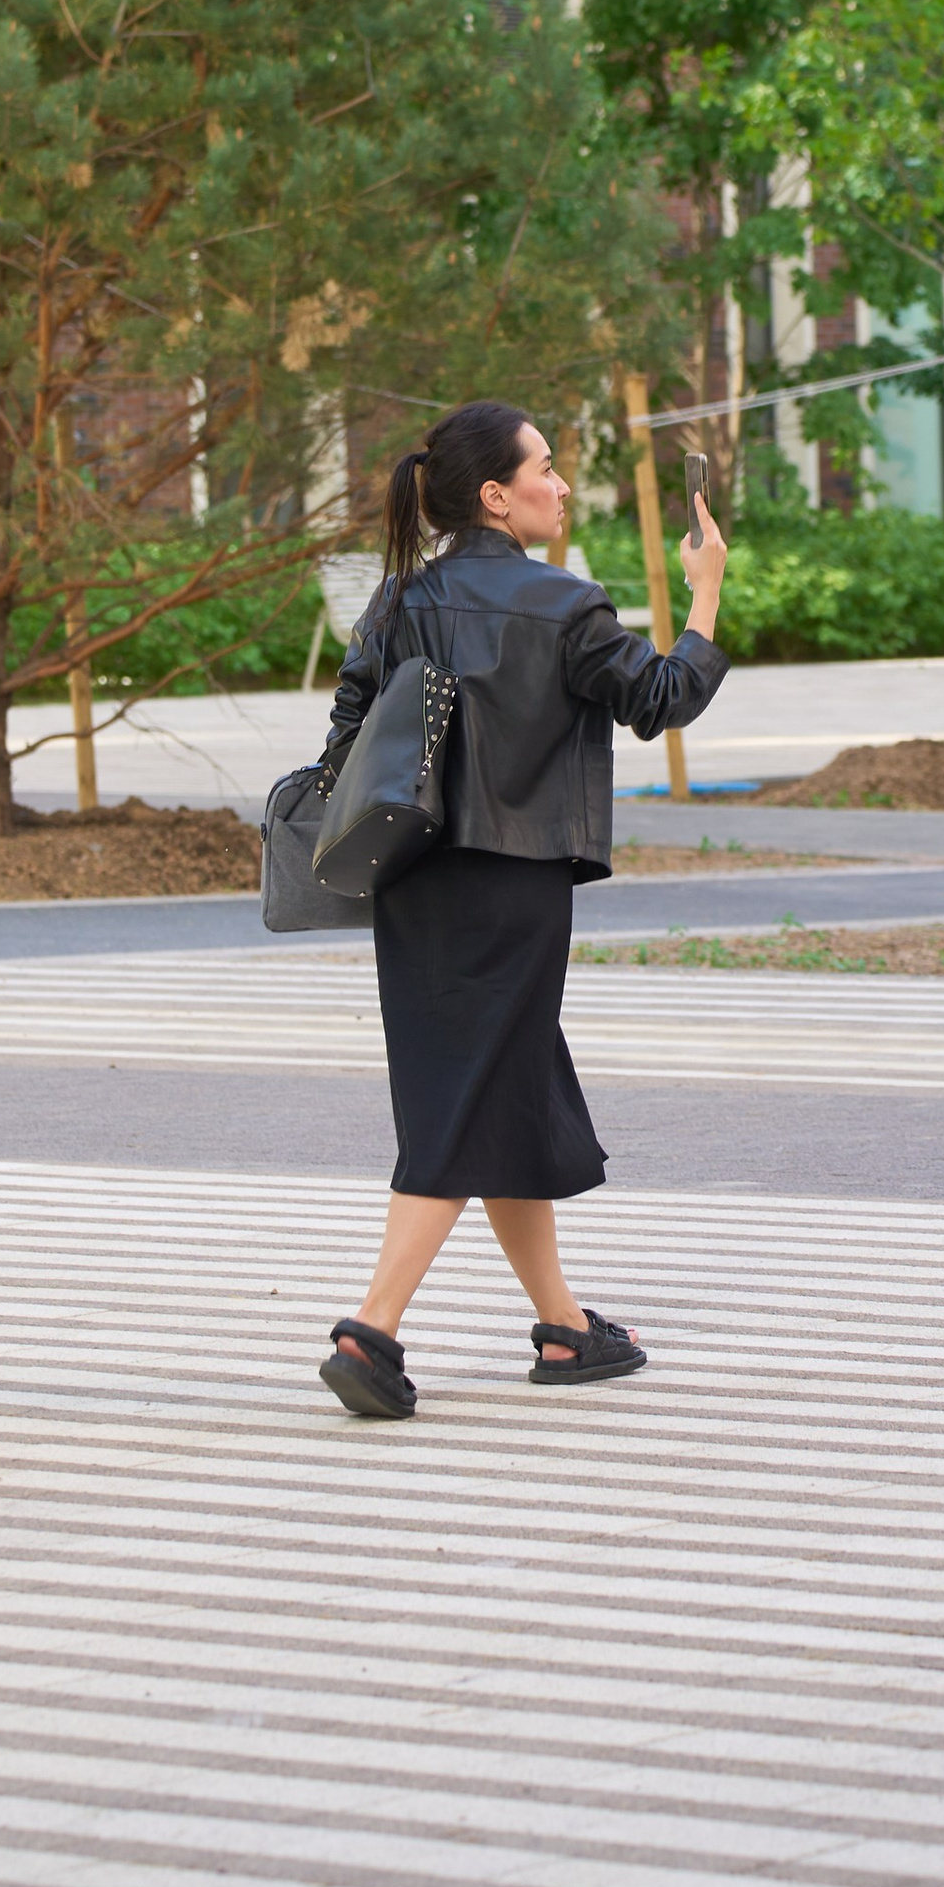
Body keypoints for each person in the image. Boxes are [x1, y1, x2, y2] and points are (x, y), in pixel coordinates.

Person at [315, 396, 728, 1421]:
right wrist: (706, 594)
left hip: (410, 878)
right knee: (466, 1100)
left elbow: (345, 740)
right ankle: (372, 1329)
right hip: (514, 882)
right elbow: (664, 698)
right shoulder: (563, 606)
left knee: (503, 1086)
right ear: (494, 496)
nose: (558, 481)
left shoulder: (398, 599)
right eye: (542, 467)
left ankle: (564, 1326)